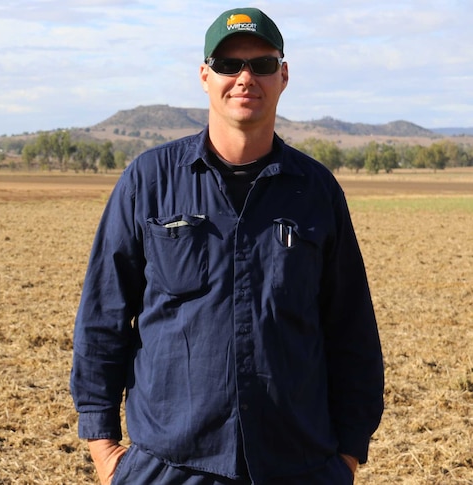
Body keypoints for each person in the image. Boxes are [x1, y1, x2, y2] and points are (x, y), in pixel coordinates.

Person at [70, 7, 384, 485]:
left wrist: (347, 458)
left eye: (261, 65)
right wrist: (106, 452)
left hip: (298, 464)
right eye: (227, 65)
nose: (244, 78)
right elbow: (102, 318)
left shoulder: (316, 191)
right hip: (169, 466)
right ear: (204, 75)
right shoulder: (149, 181)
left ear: (283, 76)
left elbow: (351, 330)